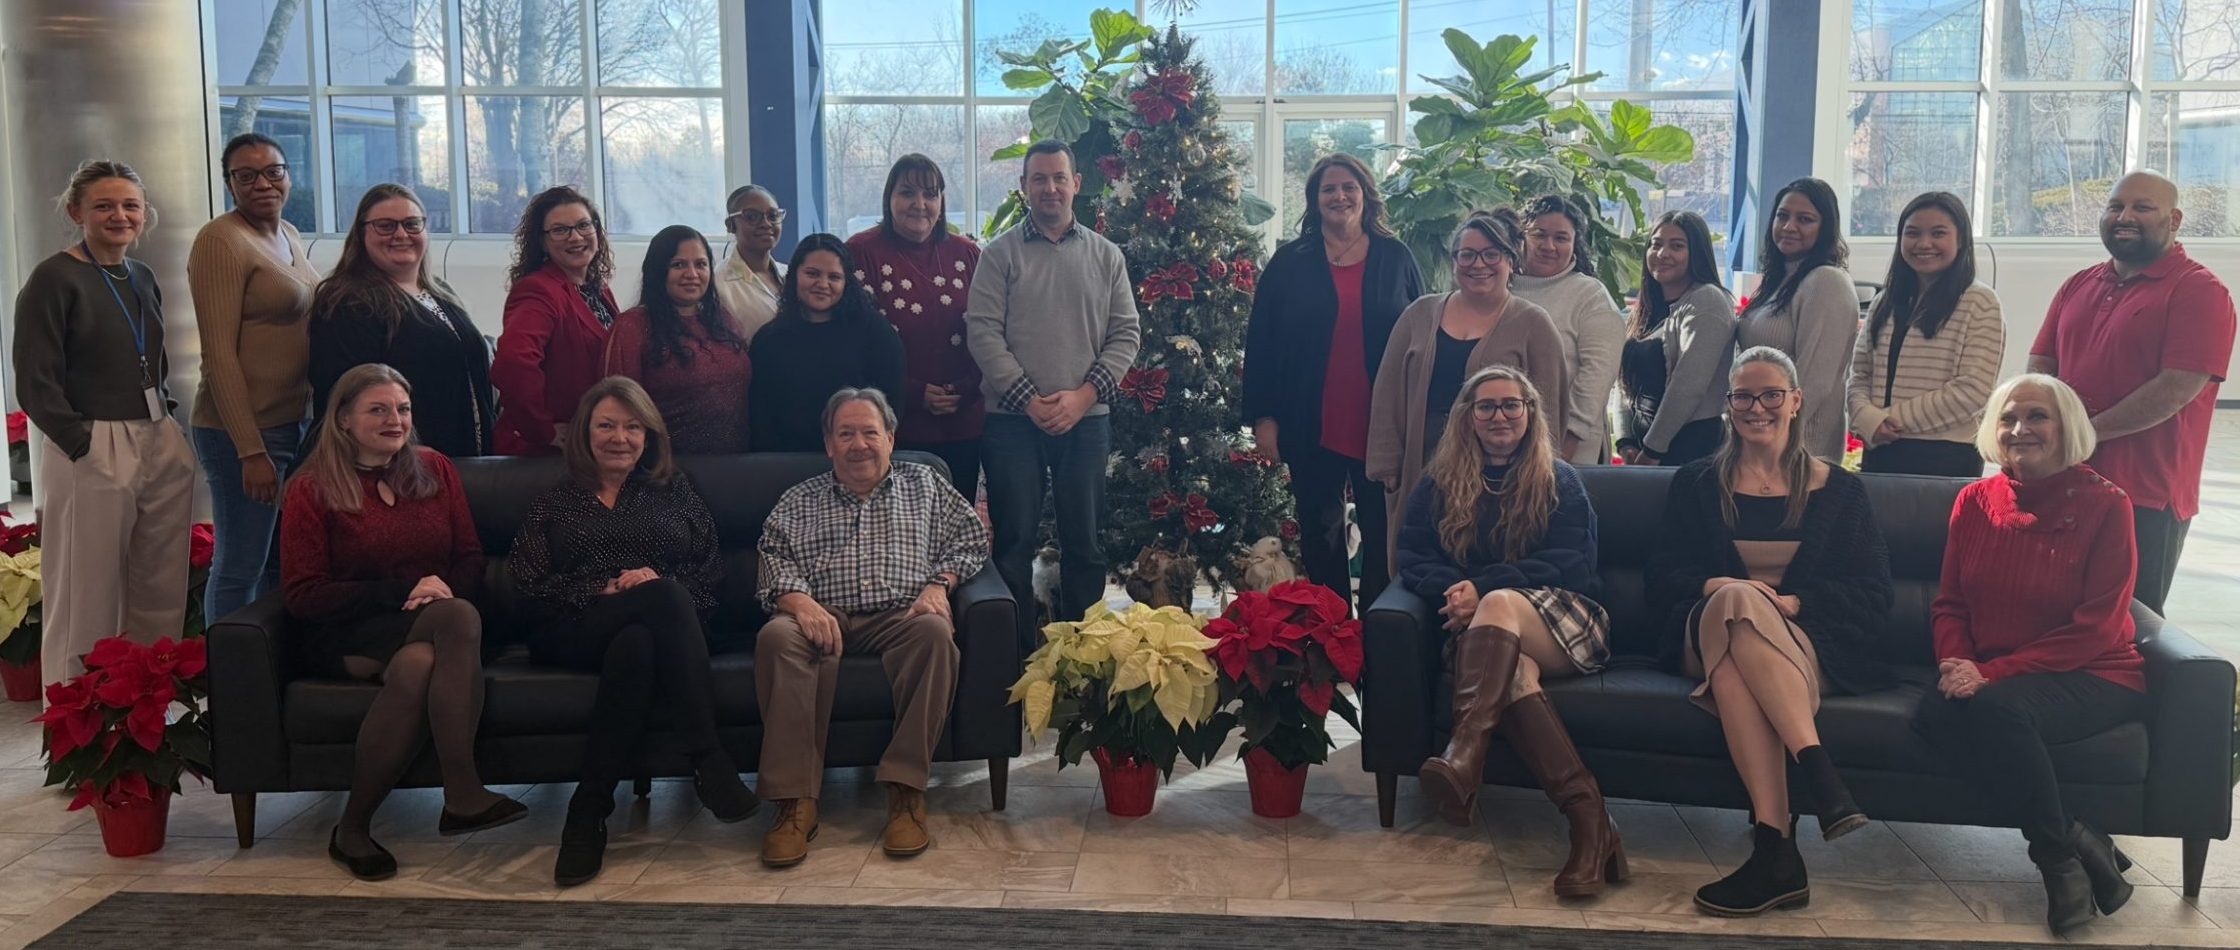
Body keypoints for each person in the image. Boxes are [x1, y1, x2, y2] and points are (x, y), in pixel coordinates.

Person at [1646, 347, 1895, 918]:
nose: (1756, 407)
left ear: (1796, 401)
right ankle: (1819, 773)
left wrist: (1793, 602)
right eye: (1743, 396)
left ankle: (1775, 852)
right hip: (1700, 633)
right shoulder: (1696, 483)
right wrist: (1724, 587)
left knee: (1736, 668)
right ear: (1729, 404)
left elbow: (1872, 591)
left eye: (1771, 395)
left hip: (1805, 644)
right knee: (1737, 600)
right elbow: (1661, 578)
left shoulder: (1841, 491)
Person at [1912, 374, 2146, 934]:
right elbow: (1950, 604)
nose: (2020, 429)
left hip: (2095, 672)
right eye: (2008, 418)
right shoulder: (1973, 501)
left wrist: (1991, 673)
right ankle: (2077, 838)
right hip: (2000, 675)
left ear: (2067, 427)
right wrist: (1956, 664)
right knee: (1933, 714)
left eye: (2037, 416)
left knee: (1997, 711)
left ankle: (2057, 865)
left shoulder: (2108, 504)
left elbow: (2097, 628)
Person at [508, 377, 761, 886]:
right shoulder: (555, 500)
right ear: (585, 432)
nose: (620, 438)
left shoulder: (675, 490)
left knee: (640, 641)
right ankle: (707, 757)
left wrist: (655, 584)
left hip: (666, 630)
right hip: (574, 628)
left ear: (649, 436)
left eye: (633, 427)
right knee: (660, 600)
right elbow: (527, 583)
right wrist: (602, 588)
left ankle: (589, 809)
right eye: (606, 425)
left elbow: (710, 570)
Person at [279, 364, 525, 881]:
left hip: (435, 622)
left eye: (403, 409)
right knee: (452, 621)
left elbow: (469, 556)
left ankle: (353, 827)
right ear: (343, 419)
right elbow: (303, 595)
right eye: (378, 409)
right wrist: (404, 591)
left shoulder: (435, 469)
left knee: (422, 660)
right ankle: (462, 792)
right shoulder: (312, 488)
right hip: (349, 627)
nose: (395, 420)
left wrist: (437, 593)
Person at [1394, 365, 1623, 898]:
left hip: (1566, 619)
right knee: (1512, 674)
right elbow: (1412, 558)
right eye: (1486, 406)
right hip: (1484, 631)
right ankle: (1591, 824)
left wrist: (1484, 587)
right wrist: (1457, 592)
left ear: (1530, 413)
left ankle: (1464, 752)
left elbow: (1572, 563)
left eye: (1511, 405)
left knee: (1498, 603)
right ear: (1468, 417)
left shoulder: (1561, 479)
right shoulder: (1437, 484)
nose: (1499, 416)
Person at [754, 387, 989, 868]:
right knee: (777, 636)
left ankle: (905, 791)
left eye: (869, 432)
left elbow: (972, 539)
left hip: (901, 614)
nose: (858, 444)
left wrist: (939, 586)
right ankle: (795, 802)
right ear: (828, 444)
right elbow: (772, 557)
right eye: (845, 434)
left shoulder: (925, 484)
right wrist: (800, 603)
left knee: (935, 634)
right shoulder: (799, 499)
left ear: (890, 438)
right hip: (822, 615)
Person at [12, 160, 195, 686]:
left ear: (144, 214)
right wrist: (79, 443)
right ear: (77, 212)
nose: (120, 215)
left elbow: (154, 361)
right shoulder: (54, 278)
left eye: (130, 205)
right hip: (93, 439)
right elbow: (36, 380)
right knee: (85, 592)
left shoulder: (141, 275)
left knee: (159, 586)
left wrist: (169, 423)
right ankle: (77, 712)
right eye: (104, 206)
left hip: (156, 434)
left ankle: (147, 704)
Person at [2028, 171, 2236, 616]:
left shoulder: (2200, 291)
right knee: (2052, 612)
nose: (2124, 217)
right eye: (2115, 206)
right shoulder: (2078, 284)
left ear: (2174, 220)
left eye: (2142, 207)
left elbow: (2175, 388)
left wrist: (2083, 434)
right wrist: (2047, 432)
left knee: (2129, 625)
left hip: (2146, 497)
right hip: (2065, 480)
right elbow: (2042, 366)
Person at [965, 140, 1142, 645]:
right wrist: (1028, 399)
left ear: (1076, 184)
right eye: (1038, 179)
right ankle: (1017, 656)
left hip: (1086, 421)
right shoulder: (999, 255)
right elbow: (982, 331)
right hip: (1011, 423)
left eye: (1059, 177)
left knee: (1084, 544)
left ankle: (1081, 655)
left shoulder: (1106, 256)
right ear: (1023, 187)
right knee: (1014, 544)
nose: (1050, 188)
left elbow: (1126, 334)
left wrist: (1083, 397)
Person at [1242, 153, 1425, 615]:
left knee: (1384, 534)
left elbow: (1422, 340)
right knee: (1320, 534)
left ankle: (1381, 633)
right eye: (1329, 189)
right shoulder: (1289, 262)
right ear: (1315, 200)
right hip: (1310, 421)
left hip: (1382, 425)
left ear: (1366, 195)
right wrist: (1264, 418)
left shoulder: (1397, 258)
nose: (1339, 196)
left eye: (1349, 188)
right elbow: (1261, 343)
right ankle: (1333, 631)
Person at [1367, 209, 1565, 566]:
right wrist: (1386, 461)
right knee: (1419, 555)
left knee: (1487, 551)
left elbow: (1549, 407)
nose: (1479, 264)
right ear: (1454, 261)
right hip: (1420, 458)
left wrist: (1538, 468)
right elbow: (1387, 390)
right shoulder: (1419, 314)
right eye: (1468, 254)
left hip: (1500, 466)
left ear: (1511, 261)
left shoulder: (1534, 323)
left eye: (1491, 254)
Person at [188, 132, 320, 625]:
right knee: (240, 566)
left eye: (273, 172)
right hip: (242, 432)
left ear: (288, 175)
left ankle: (263, 662)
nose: (262, 184)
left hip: (292, 424)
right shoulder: (220, 241)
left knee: (277, 563)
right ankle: (228, 669)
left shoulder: (288, 233)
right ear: (230, 184)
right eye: (246, 176)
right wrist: (249, 449)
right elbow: (218, 354)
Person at [308, 183, 493, 457]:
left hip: (462, 458)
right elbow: (345, 395)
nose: (401, 234)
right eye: (385, 226)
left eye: (412, 224)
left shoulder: (440, 293)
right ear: (361, 234)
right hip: (398, 463)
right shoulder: (348, 303)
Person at [847, 154, 986, 495]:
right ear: (889, 198)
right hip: (893, 424)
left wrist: (965, 389)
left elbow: (993, 331)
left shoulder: (969, 254)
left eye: (930, 194)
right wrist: (914, 393)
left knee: (957, 520)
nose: (919, 204)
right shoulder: (860, 252)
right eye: (907, 193)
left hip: (963, 422)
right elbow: (852, 345)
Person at [1848, 192, 2005, 477]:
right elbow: (1859, 374)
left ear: (1961, 239)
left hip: (1945, 455)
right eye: (1912, 233)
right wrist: (1866, 418)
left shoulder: (1980, 302)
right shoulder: (1885, 301)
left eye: (1938, 233)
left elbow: (1973, 391)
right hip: (1880, 449)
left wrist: (1888, 420)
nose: (1923, 243)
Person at [491, 186, 620, 456]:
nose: (576, 237)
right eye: (560, 230)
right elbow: (514, 362)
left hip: (588, 444)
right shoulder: (538, 290)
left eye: (583, 225)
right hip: (544, 454)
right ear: (542, 242)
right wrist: (542, 429)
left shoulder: (597, 289)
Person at [747, 234, 906, 452]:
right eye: (812, 274)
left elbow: (892, 405)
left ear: (846, 282)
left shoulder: (874, 332)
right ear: (794, 275)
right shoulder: (768, 340)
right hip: (787, 461)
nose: (823, 284)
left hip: (858, 456)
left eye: (834, 277)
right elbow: (760, 416)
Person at [1736, 178, 1858, 460]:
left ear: (1825, 228)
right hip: (1760, 437)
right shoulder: (1781, 280)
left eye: (1805, 219)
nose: (1789, 227)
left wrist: (1773, 441)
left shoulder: (1826, 281)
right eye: (1782, 216)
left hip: (1798, 448)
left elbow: (1814, 382)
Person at [604, 226, 752, 453]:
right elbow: (619, 406)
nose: (692, 274)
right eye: (678, 265)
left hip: (736, 463)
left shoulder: (723, 319)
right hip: (667, 465)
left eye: (700, 264)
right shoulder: (633, 326)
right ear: (658, 270)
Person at [1618, 210, 1736, 467]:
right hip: (1643, 450)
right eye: (1656, 244)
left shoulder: (1708, 300)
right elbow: (1624, 381)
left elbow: (1688, 386)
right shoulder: (1646, 308)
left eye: (1677, 246)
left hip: (1688, 450)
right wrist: (1625, 441)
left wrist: (1652, 451)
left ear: (1697, 253)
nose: (1662, 254)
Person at [1513, 195, 1625, 464]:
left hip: (1567, 450)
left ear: (1575, 244)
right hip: (1501, 439)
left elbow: (1597, 375)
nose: (1549, 246)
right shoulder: (1500, 286)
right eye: (1539, 234)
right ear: (1521, 236)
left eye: (1561, 238)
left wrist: (1567, 441)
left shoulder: (1590, 295)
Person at [714, 184, 788, 341]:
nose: (766, 224)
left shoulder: (791, 274)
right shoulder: (717, 284)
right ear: (731, 225)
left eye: (773, 216)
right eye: (752, 217)